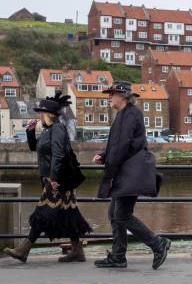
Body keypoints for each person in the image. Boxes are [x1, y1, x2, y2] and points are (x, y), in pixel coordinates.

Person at [4, 91, 91, 263]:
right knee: (69, 214)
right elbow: (35, 148)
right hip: (56, 179)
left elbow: (58, 155)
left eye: (40, 112)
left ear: (48, 114)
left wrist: (53, 178)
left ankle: (24, 250)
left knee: (41, 213)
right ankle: (77, 251)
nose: (39, 116)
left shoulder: (57, 129)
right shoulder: (48, 130)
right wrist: (29, 131)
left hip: (57, 180)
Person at [93, 81, 170, 269]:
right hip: (128, 172)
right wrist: (104, 155)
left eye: (111, 93)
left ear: (123, 96)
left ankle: (157, 243)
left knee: (122, 215)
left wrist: (109, 172)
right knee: (115, 213)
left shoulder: (129, 115)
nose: (108, 97)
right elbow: (120, 144)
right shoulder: (125, 114)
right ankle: (118, 256)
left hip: (129, 173)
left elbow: (123, 146)